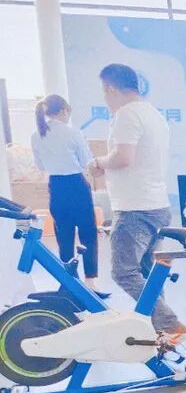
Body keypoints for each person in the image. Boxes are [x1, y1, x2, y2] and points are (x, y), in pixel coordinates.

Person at [88, 64, 186, 343]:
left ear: (110, 88)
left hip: (134, 208)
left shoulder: (126, 114)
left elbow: (123, 157)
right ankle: (161, 331)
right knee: (147, 274)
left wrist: (98, 162)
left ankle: (170, 324)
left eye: (104, 92)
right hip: (156, 205)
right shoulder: (153, 114)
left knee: (123, 272)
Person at [30, 94, 101, 293]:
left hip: (56, 186)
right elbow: (85, 161)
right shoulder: (73, 133)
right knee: (88, 232)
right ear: (63, 110)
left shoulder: (36, 135)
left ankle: (69, 281)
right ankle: (90, 281)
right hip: (76, 184)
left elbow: (40, 166)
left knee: (63, 234)